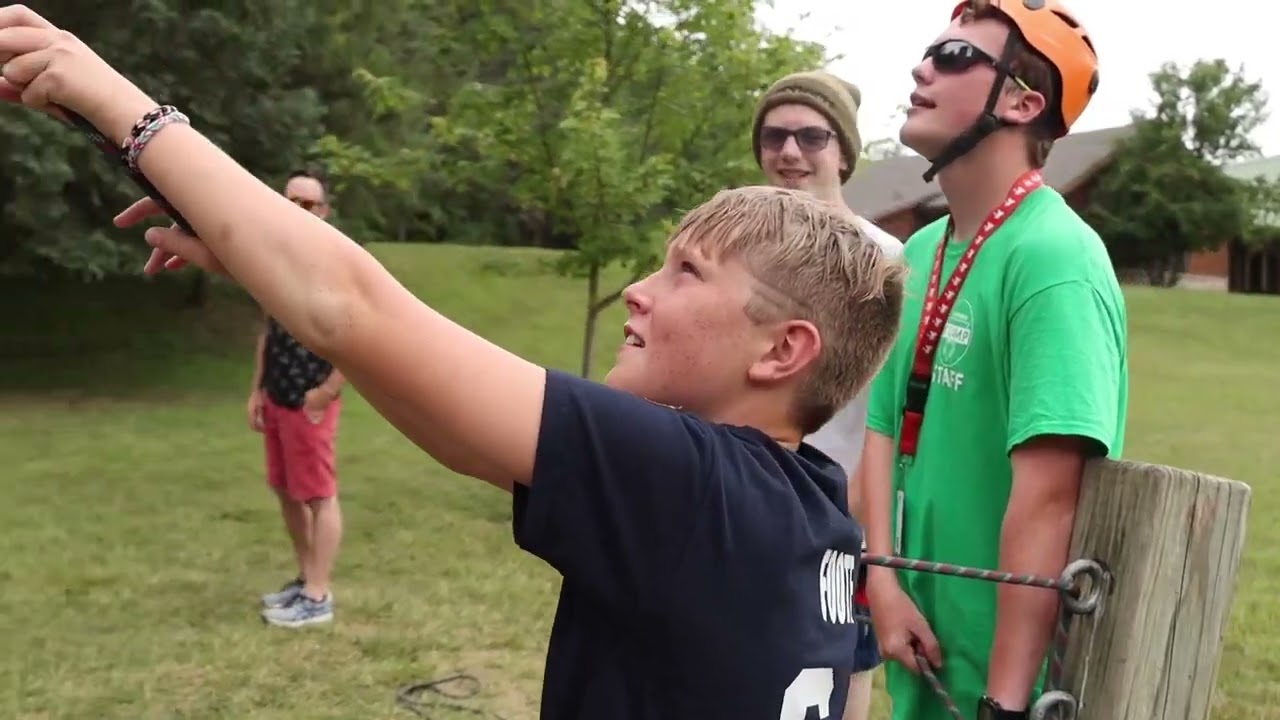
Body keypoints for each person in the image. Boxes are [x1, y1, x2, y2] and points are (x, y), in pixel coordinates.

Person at [0, 7, 908, 717]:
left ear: (784, 350)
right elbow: (450, 425)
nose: (637, 290)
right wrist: (258, 263)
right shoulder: (805, 508)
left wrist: (120, 106)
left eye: (684, 272)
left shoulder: (688, 484)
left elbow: (355, 304)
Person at [857, 1, 1128, 719]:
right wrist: (883, 584)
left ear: (1021, 100)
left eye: (951, 57)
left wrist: (1005, 703)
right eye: (927, 52)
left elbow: (1050, 496)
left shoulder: (1053, 258)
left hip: (1002, 683)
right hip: (921, 643)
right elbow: (882, 429)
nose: (921, 68)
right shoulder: (920, 252)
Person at [750, 69, 904, 720]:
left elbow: (889, 408)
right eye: (774, 136)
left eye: (811, 136)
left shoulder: (885, 259)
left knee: (841, 665)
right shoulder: (741, 244)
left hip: (839, 509)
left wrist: (860, 520)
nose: (790, 152)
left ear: (843, 151)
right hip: (742, 494)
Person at [248, 169, 348, 628]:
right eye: (291, 200)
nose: (300, 210)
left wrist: (325, 393)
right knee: (285, 489)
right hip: (277, 398)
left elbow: (355, 337)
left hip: (311, 404)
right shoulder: (272, 261)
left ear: (324, 212)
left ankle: (318, 595)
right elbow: (268, 330)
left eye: (309, 204)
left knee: (319, 495)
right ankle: (306, 578)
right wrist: (257, 389)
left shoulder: (338, 263)